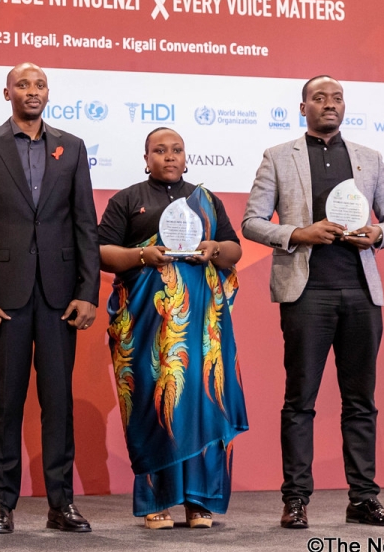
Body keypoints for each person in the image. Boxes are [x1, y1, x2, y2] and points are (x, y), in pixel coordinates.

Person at [242, 75, 384, 529]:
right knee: (300, 400)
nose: (328, 104)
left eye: (336, 98)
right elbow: (252, 222)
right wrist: (299, 233)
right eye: (319, 98)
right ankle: (296, 499)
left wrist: (378, 234)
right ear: (303, 107)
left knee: (360, 402)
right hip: (306, 292)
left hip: (361, 291)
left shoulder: (370, 159)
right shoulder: (278, 157)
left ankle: (363, 499)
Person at [0, 62, 100, 534]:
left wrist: (88, 292)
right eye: (23, 84)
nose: (32, 91)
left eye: (39, 84)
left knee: (58, 402)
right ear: (7, 92)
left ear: (47, 93)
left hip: (61, 298)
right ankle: (2, 503)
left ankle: (61, 504)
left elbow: (85, 225)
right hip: (5, 298)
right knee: (7, 404)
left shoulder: (72, 148)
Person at [98, 127, 248, 530]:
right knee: (155, 401)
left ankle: (199, 502)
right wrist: (141, 255)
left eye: (176, 150)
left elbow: (233, 249)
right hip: (147, 330)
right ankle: (155, 501)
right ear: (145, 158)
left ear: (186, 157)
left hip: (200, 331)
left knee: (201, 402)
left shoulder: (206, 201)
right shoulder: (127, 199)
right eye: (159, 150)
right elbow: (102, 253)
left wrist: (214, 250)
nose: (169, 156)